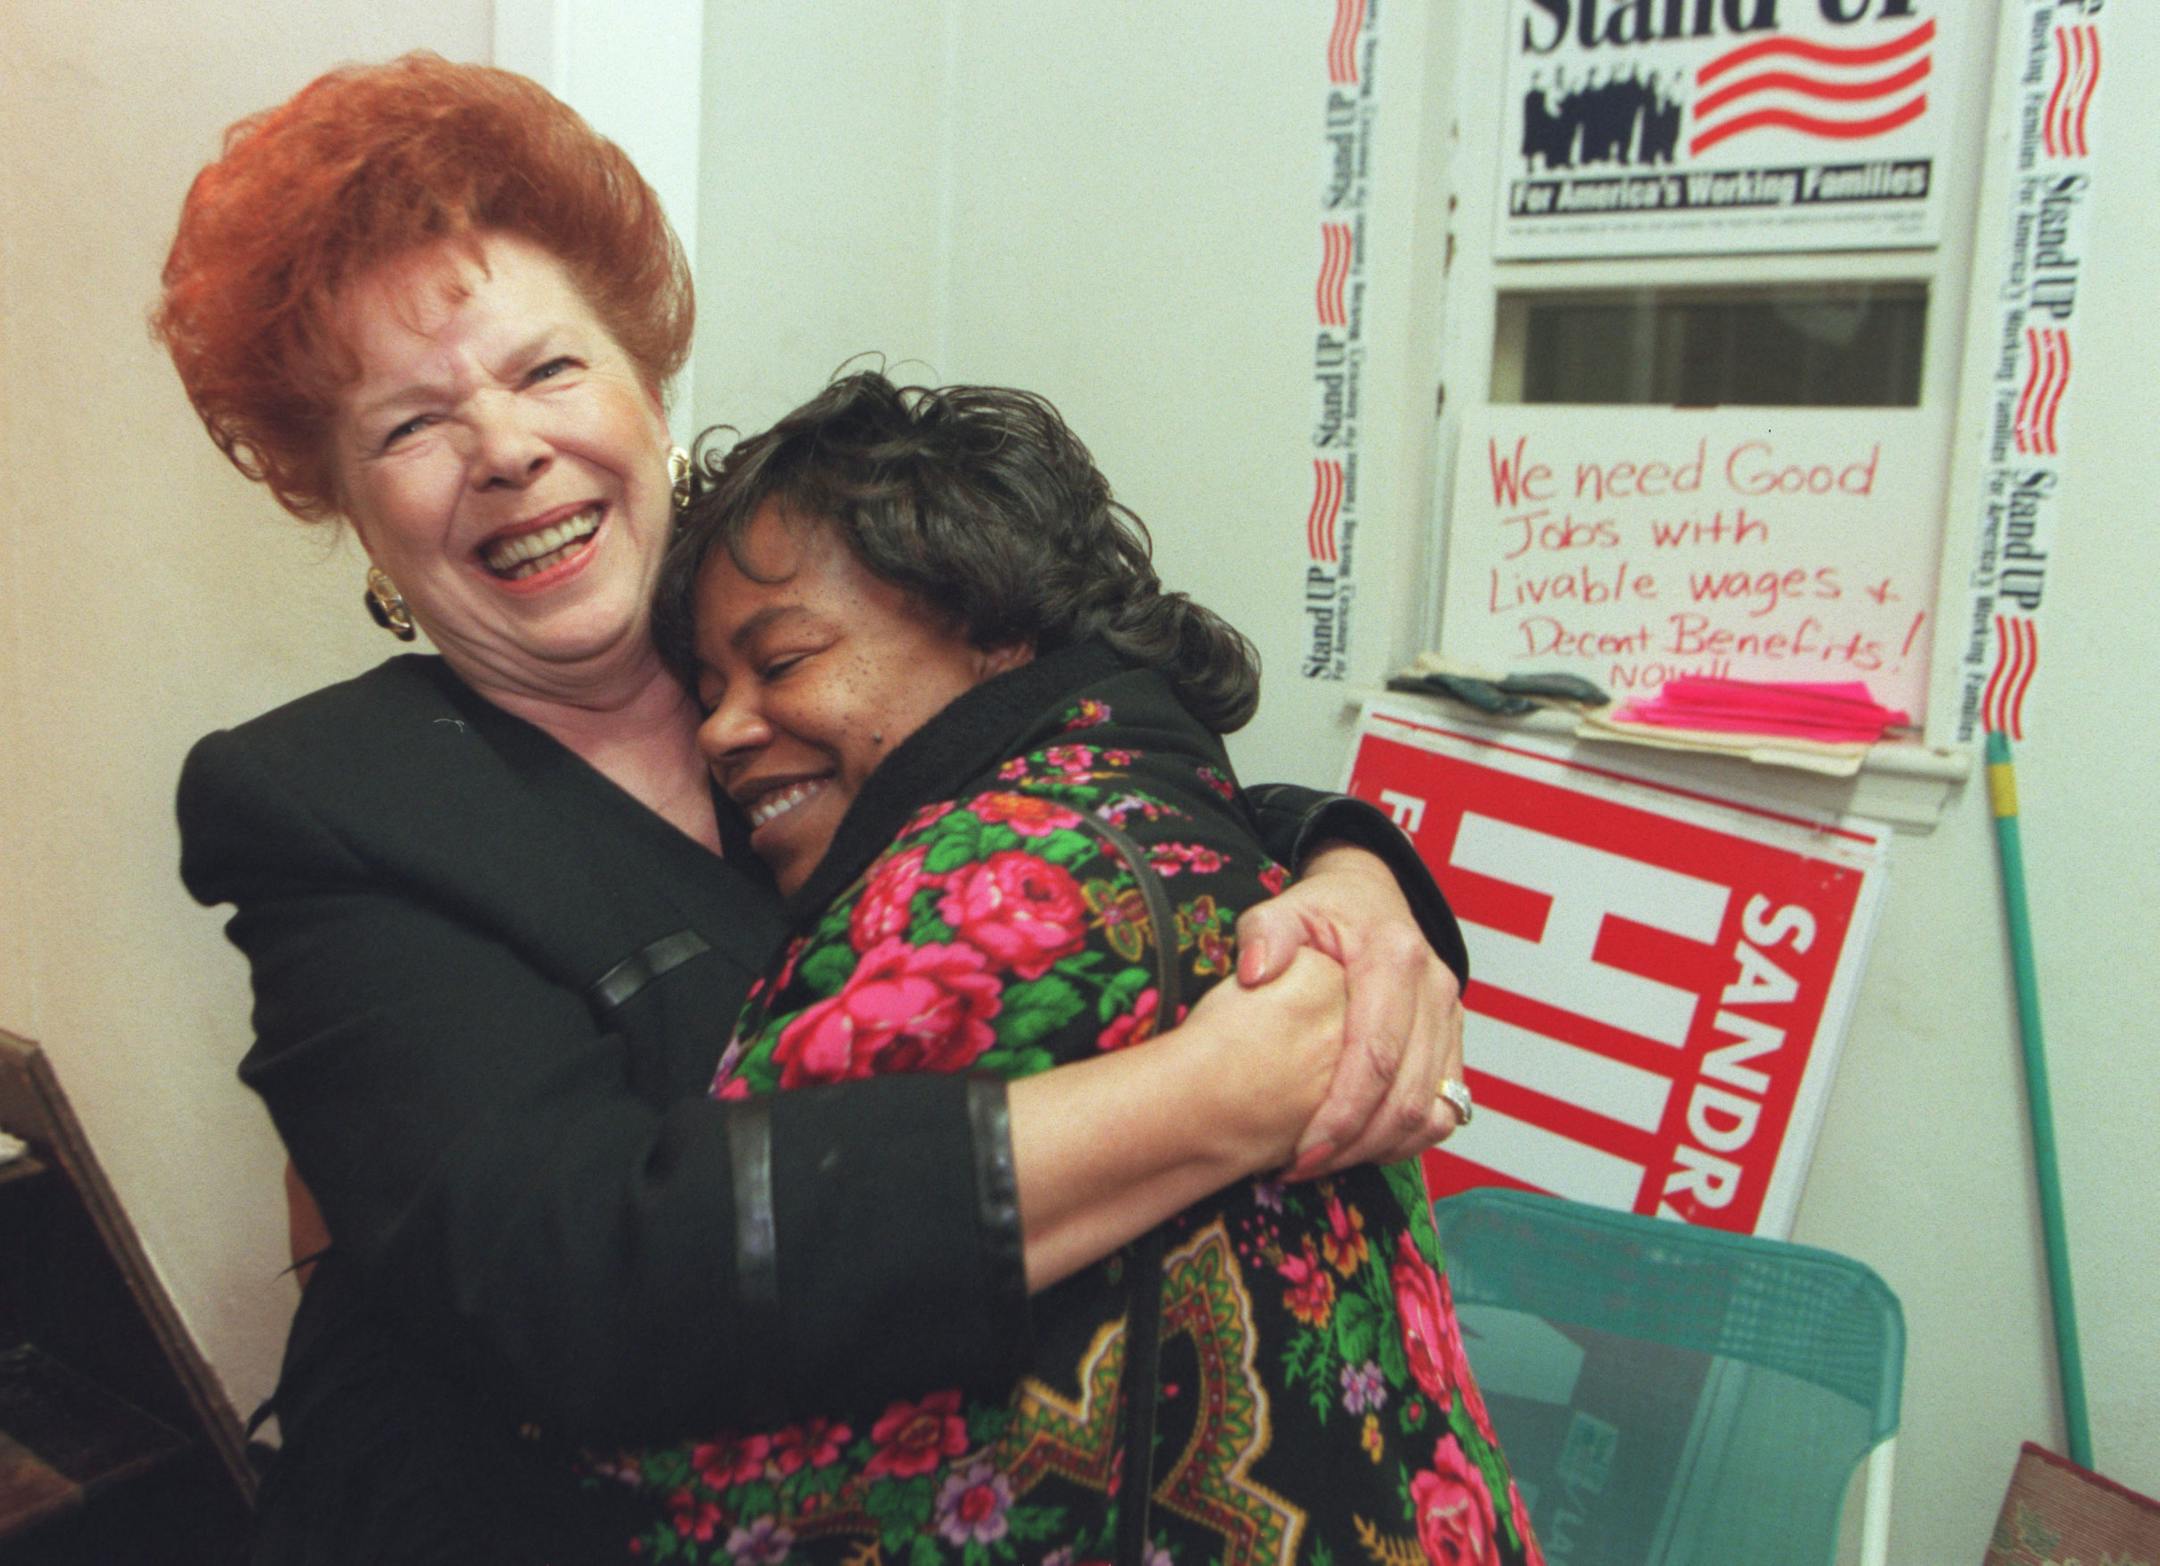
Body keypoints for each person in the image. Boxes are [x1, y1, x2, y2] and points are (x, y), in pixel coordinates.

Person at [153, 54, 1475, 1564]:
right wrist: (1223, 1093)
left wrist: (1359, 875)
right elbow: (583, 1278)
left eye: (546, 370)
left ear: (650, 391)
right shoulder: (327, 806)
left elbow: (1102, 739)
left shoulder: (798, 616)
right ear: (346, 507)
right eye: (407, 427)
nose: (505, 448)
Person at [596, 372, 1535, 1566]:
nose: (725, 730)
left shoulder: (986, 900)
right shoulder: (1187, 826)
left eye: (781, 663)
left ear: (994, 631)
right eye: (710, 693)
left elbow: (697, 1349)